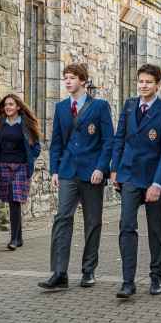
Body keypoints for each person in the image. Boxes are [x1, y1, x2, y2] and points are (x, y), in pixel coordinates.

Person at [38, 63, 114, 290]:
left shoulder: (99, 106)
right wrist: (54, 170)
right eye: (66, 78)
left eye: (72, 78)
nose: (68, 82)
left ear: (83, 80)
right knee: (62, 218)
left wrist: (101, 168)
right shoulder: (61, 108)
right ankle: (59, 273)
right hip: (68, 170)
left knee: (92, 221)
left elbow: (108, 140)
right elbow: (57, 143)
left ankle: (88, 270)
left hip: (92, 173)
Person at [110, 63, 161, 299]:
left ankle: (157, 277)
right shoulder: (129, 106)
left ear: (158, 84)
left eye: (148, 82)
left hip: (153, 180)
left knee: (155, 230)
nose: (143, 86)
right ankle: (128, 282)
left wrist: (158, 184)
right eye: (140, 81)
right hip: (128, 176)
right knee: (126, 226)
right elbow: (119, 139)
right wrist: (114, 169)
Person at [0, 94, 42, 250]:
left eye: (11, 104)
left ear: (18, 106)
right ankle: (19, 238)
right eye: (5, 104)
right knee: (12, 200)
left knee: (15, 200)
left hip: (21, 167)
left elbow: (37, 147)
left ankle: (13, 240)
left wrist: (28, 160)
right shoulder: (0, 123)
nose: (7, 107)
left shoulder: (27, 124)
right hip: (5, 166)